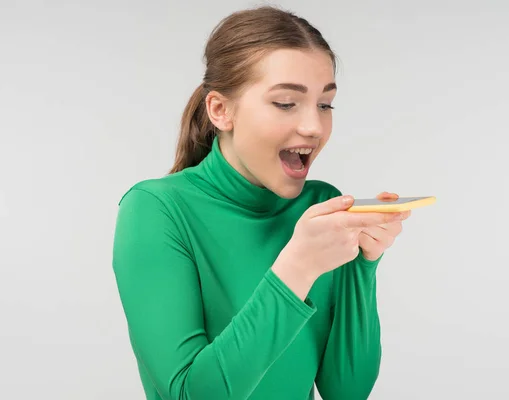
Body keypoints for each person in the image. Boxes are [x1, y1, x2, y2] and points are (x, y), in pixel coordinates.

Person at [112, 5, 411, 400]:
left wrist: (363, 264)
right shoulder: (155, 209)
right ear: (220, 110)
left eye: (325, 104)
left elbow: (347, 391)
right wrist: (297, 267)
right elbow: (189, 395)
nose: (314, 127)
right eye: (286, 103)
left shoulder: (320, 205)